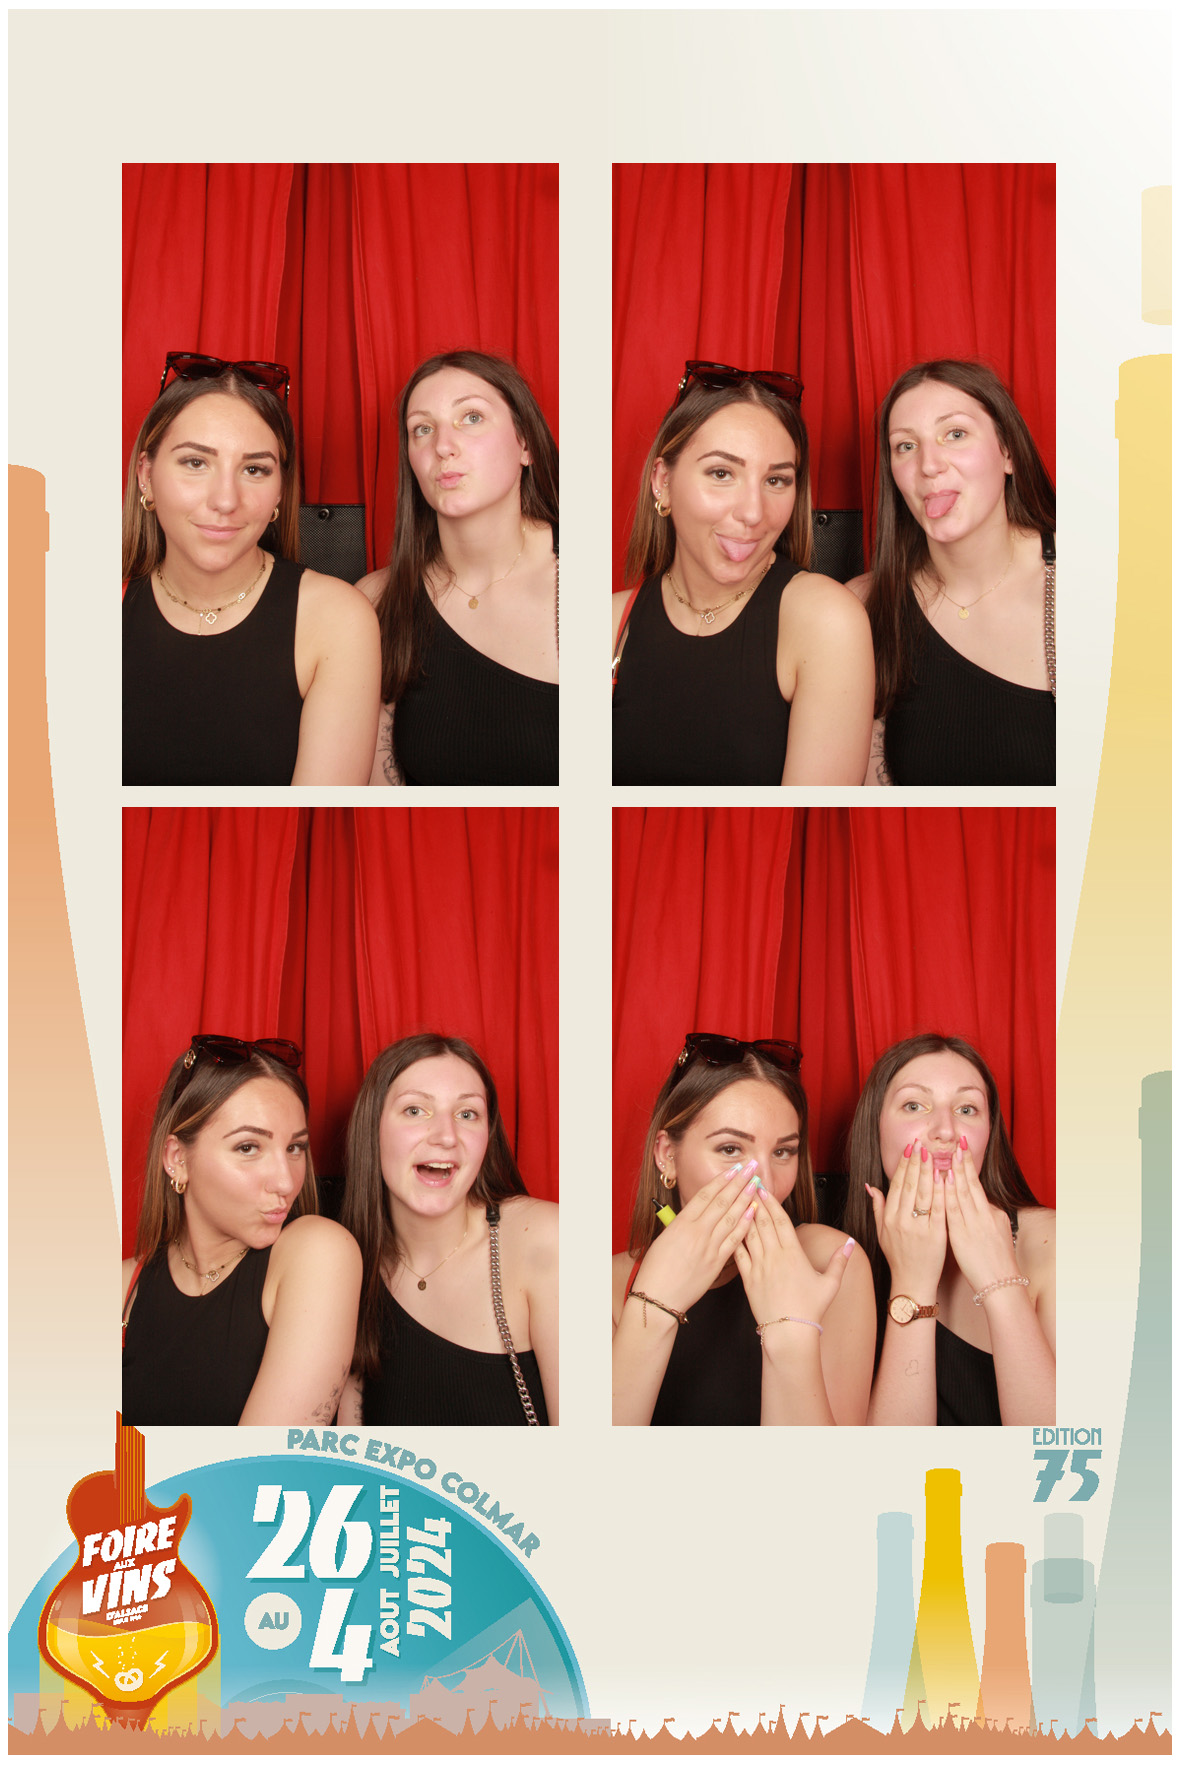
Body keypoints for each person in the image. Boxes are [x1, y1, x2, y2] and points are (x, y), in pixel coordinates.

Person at [123, 353, 381, 787]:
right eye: (195, 462)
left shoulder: (338, 618)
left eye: (254, 469)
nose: (226, 500)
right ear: (146, 475)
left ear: (280, 490)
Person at [612, 362, 873, 786]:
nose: (753, 513)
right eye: (722, 473)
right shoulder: (608, 625)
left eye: (776, 480)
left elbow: (808, 817)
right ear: (663, 482)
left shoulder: (825, 620)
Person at [611, 1034, 874, 1425]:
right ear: (668, 1155)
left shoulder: (830, 1263)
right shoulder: (609, 1285)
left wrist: (790, 1336)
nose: (762, 1178)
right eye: (730, 1149)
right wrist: (655, 1306)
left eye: (782, 1151)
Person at [121, 1036, 362, 1427]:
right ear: (177, 1159)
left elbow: (263, 1462)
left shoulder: (318, 1252)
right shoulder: (122, 1290)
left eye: (295, 1148)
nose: (286, 1182)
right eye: (248, 1148)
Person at [357, 351, 559, 786]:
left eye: (471, 418)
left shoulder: (589, 591)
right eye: (422, 428)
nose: (442, 446)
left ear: (525, 444)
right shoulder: (376, 602)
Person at [854, 359, 1056, 786]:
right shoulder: (862, 607)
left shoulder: (1102, 586)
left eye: (955, 434)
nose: (929, 465)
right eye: (905, 446)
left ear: (1008, 452)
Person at [338, 1035, 558, 1425]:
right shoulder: (348, 1263)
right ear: (372, 1128)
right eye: (415, 1110)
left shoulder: (545, 1239)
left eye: (467, 1114)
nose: (446, 1136)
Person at [843, 1033, 1056, 1426]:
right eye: (914, 1105)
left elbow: (1066, 1451)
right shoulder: (840, 1261)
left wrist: (1000, 1281)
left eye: (967, 1109)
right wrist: (912, 1284)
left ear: (989, 1133)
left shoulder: (1054, 1245)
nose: (945, 1130)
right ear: (875, 1128)